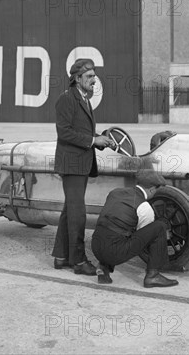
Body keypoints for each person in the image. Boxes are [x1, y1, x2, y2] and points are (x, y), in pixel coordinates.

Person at [52, 58, 115, 276]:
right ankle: (78, 261)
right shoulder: (66, 99)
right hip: (71, 165)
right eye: (89, 77)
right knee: (78, 214)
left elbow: (79, 129)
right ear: (77, 79)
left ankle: (61, 257)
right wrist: (92, 141)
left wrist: (100, 138)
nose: (94, 81)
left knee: (70, 210)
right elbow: (64, 132)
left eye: (94, 77)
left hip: (80, 163)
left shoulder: (84, 99)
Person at [91, 169, 178, 288]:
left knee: (114, 231)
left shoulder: (115, 192)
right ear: (152, 189)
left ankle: (103, 267)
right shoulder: (144, 206)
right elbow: (144, 238)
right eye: (157, 190)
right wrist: (164, 236)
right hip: (114, 252)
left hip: (95, 246)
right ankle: (153, 275)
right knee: (159, 227)